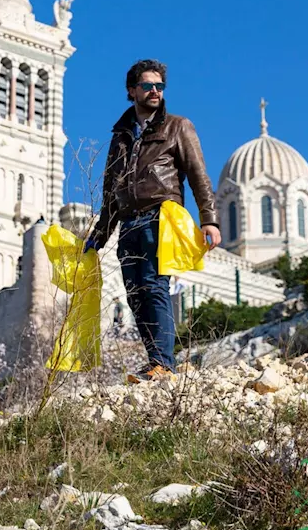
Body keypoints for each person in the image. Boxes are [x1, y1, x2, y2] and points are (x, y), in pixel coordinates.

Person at [86, 60, 221, 383]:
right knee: (135, 293)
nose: (155, 92)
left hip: (161, 217)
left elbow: (198, 175)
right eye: (147, 86)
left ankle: (163, 362)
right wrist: (98, 237)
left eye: (159, 86)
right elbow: (111, 192)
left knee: (154, 286)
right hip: (128, 224)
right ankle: (154, 361)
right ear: (132, 91)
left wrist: (209, 220)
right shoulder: (119, 137)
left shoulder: (178, 126)